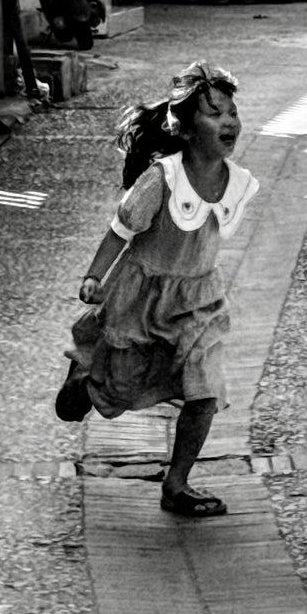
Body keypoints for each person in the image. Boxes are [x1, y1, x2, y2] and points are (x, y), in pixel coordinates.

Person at [54, 60, 256, 519]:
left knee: (205, 393)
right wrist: (94, 276)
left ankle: (177, 484)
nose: (228, 122)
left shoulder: (236, 181)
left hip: (198, 301)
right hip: (141, 298)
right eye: (214, 113)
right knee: (120, 389)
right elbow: (120, 230)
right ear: (184, 129)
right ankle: (88, 376)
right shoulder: (161, 178)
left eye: (232, 113)